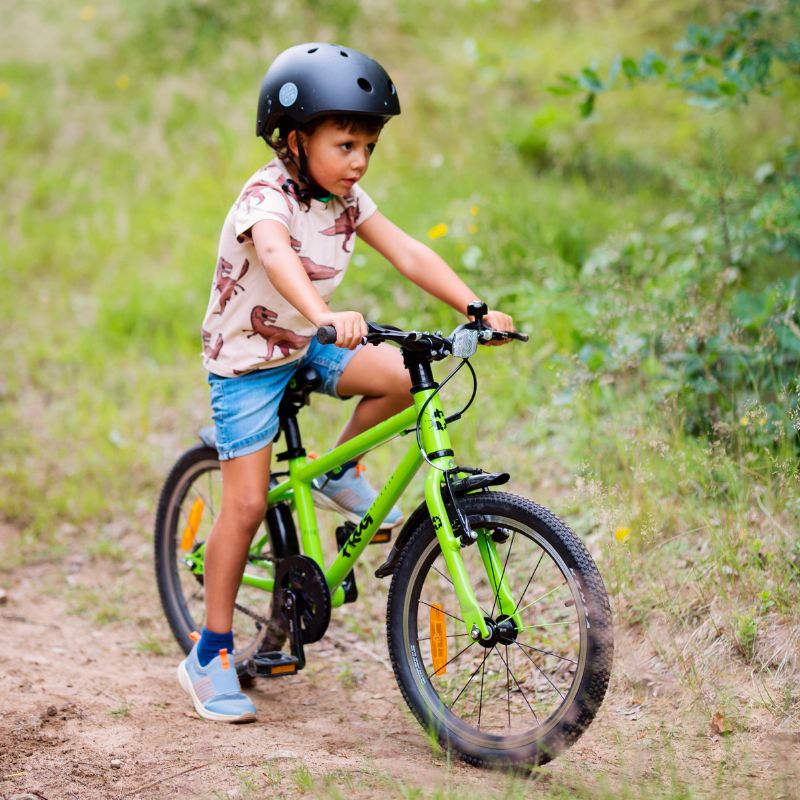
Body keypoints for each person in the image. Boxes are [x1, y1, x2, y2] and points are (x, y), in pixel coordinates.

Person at [178, 42, 516, 723]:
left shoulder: (348, 198)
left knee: (400, 375)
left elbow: (409, 251)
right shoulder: (263, 197)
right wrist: (324, 314)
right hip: (248, 358)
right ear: (294, 141)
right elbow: (276, 255)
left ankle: (342, 469)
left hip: (308, 342)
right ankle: (209, 653)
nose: (358, 161)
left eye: (368, 145)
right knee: (243, 506)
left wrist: (472, 308)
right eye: (345, 144)